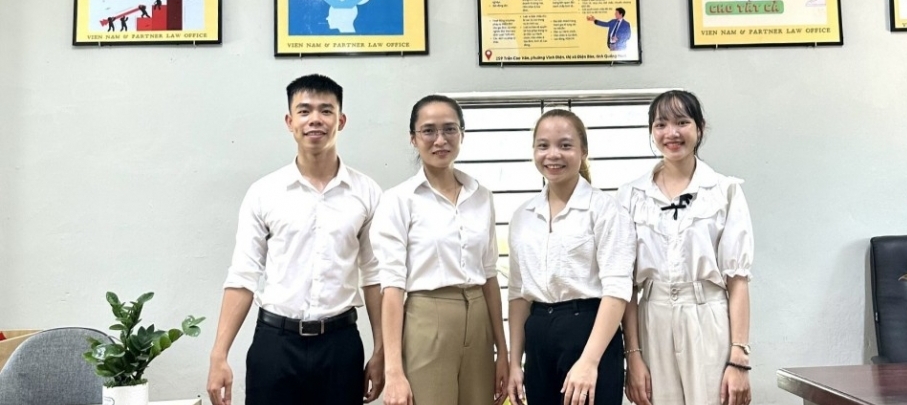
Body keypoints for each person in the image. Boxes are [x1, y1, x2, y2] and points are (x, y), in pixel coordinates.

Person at [207, 74, 385, 405]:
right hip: (275, 345)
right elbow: (243, 276)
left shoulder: (367, 193)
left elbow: (374, 277)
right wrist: (219, 354)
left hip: (340, 346)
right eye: (304, 111)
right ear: (290, 122)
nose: (315, 119)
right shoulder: (264, 193)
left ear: (341, 121)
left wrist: (381, 350)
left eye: (326, 110)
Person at [372, 94, 509, 405]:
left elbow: (489, 275)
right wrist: (393, 370)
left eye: (449, 129)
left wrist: (502, 351)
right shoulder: (398, 200)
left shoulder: (481, 196)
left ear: (462, 134)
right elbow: (392, 287)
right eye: (429, 131)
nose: (440, 140)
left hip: (479, 319)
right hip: (426, 318)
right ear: (413, 138)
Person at [619, 90, 753, 405]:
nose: (672, 133)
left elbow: (738, 280)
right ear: (651, 132)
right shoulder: (631, 195)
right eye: (661, 124)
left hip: (708, 316)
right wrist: (633, 355)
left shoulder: (724, 191)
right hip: (652, 318)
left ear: (699, 128)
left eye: (682, 122)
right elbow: (625, 285)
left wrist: (739, 358)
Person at [507, 109, 636, 405]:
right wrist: (515, 363)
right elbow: (517, 295)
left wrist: (589, 362)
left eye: (565, 145)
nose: (553, 154)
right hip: (538, 335)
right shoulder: (523, 216)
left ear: (583, 151)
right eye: (543, 146)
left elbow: (617, 291)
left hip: (589, 330)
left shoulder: (605, 210)